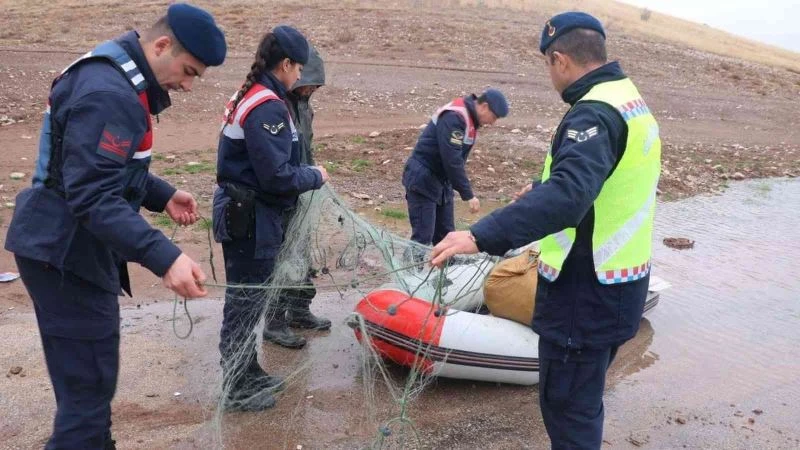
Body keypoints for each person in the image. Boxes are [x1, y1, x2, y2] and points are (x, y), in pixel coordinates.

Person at [430, 12, 661, 449]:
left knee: (567, 409)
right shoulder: (629, 99)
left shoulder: (593, 112)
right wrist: (541, 188)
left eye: (547, 65)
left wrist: (480, 235)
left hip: (584, 294)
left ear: (560, 59)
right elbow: (608, 178)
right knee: (584, 402)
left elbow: (570, 197)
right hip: (622, 287)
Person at [3, 3, 225, 448]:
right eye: (189, 72)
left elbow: (95, 167)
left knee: (87, 390)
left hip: (59, 245)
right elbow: (92, 195)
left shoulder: (114, 71)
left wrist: (160, 195)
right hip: (67, 256)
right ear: (161, 45)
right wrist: (166, 257)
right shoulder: (112, 92)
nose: (186, 85)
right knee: (86, 399)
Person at [213, 25, 329, 411]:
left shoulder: (256, 94)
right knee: (245, 302)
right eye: (299, 69)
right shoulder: (266, 105)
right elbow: (277, 176)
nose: (301, 77)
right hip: (251, 216)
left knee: (251, 299)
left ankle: (247, 370)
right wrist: (316, 175)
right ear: (286, 64)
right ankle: (235, 385)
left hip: (252, 212)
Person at [266, 45, 331, 333]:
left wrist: (313, 177)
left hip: (302, 188)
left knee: (302, 253)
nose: (311, 90)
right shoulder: (276, 105)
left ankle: (300, 309)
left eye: (316, 86)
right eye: (308, 84)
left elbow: (307, 147)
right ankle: (276, 322)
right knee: (283, 257)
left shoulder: (305, 106)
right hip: (282, 191)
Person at [401, 88, 508, 248]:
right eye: (493, 117)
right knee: (423, 237)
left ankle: (447, 270)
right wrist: (468, 195)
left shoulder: (469, 118)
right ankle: (411, 273)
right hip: (422, 179)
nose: (492, 123)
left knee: (446, 235)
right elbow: (451, 160)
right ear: (484, 106)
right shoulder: (455, 117)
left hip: (442, 182)